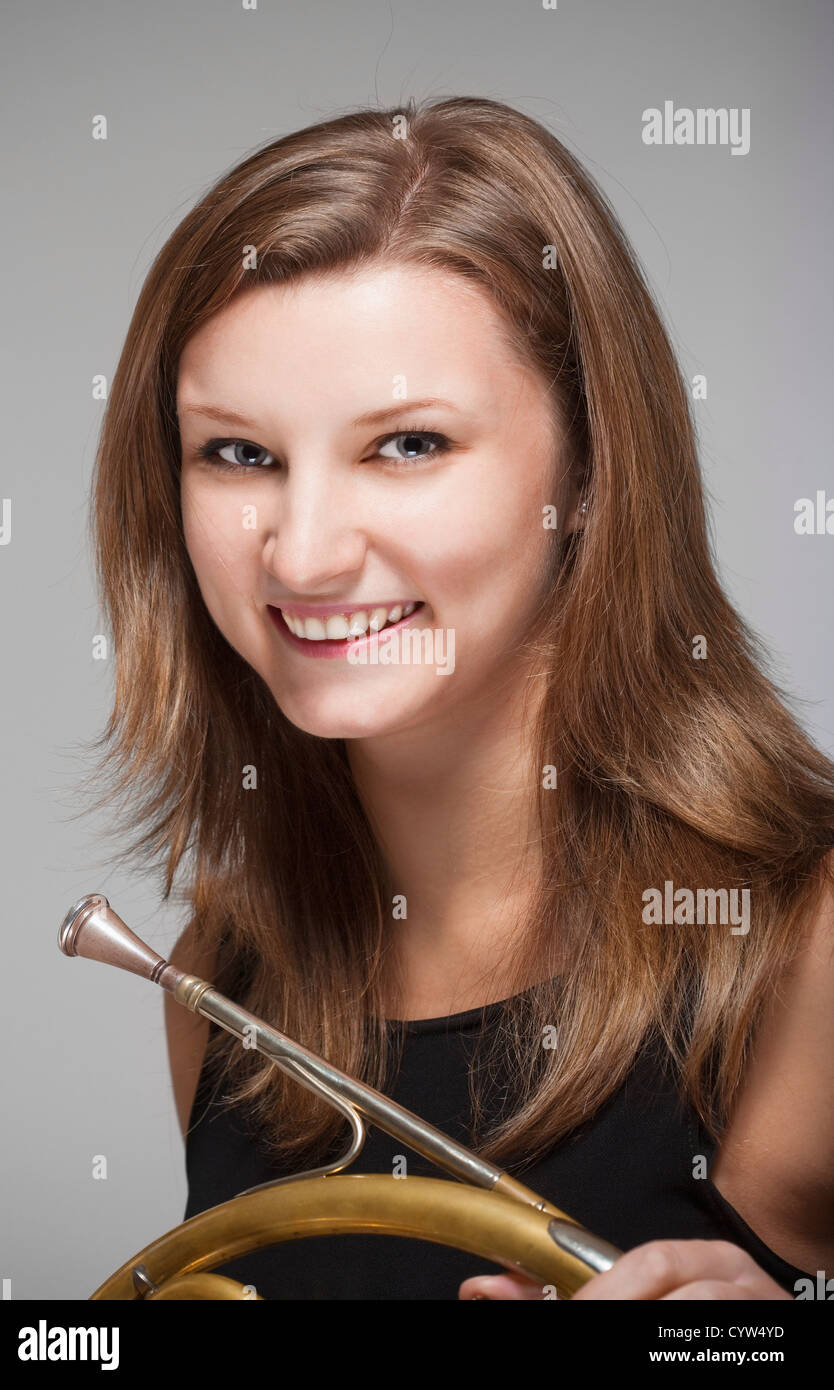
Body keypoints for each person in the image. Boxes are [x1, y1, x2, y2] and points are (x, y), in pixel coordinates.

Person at [89, 95, 834, 1300]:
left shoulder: (812, 946)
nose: (304, 555)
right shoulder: (218, 977)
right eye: (240, 453)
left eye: (408, 444)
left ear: (588, 472)